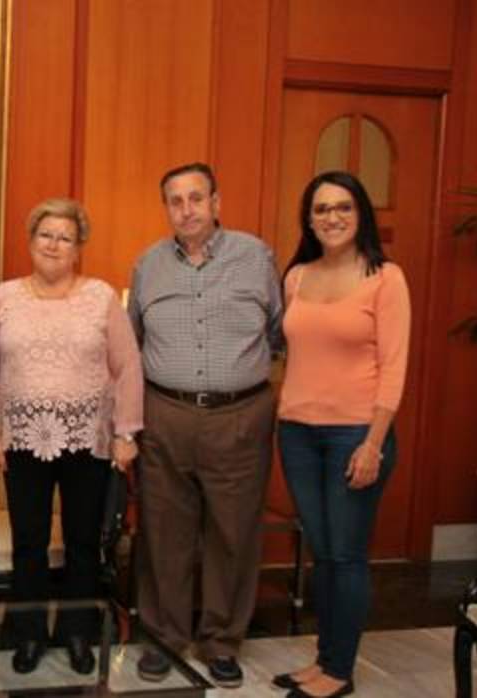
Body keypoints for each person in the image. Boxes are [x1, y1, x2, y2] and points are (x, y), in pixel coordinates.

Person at [128, 162, 283, 688]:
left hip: (239, 415)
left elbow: (280, 333)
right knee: (163, 533)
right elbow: (132, 342)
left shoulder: (256, 257)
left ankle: (221, 641)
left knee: (233, 533)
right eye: (176, 200)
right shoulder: (147, 265)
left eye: (197, 198)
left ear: (216, 202)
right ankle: (164, 638)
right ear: (166, 208)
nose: (187, 209)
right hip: (164, 414)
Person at [0, 198, 143, 675]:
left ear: (78, 248)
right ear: (30, 242)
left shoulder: (101, 296)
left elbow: (128, 365)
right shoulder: (3, 296)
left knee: (81, 541)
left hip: (86, 438)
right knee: (28, 542)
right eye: (45, 234)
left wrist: (126, 432)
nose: (53, 244)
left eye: (64, 237)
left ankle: (76, 633)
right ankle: (28, 635)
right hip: (22, 439)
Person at [270, 171, 410, 698]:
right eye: (322, 208)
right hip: (298, 433)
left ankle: (339, 671)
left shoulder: (385, 277)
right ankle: (324, 658)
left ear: (360, 214)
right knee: (324, 551)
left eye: (343, 207)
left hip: (356, 433)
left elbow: (394, 368)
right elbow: (294, 353)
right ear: (309, 218)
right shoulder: (297, 277)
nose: (332, 217)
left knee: (347, 554)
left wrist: (374, 442)